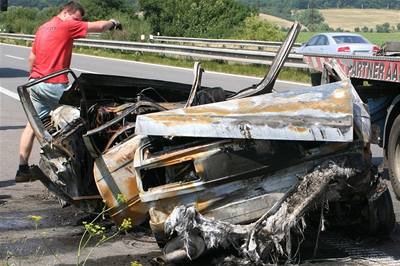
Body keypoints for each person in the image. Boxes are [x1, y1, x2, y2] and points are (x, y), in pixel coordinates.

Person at [15, 1, 122, 182]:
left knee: (32, 126)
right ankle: (81, 171)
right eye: (76, 18)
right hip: (54, 83)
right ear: (65, 12)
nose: (77, 22)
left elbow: (32, 57)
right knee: (82, 120)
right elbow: (100, 26)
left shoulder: (42, 28)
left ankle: (22, 169)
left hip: (35, 82)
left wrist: (33, 79)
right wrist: (114, 22)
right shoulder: (66, 25)